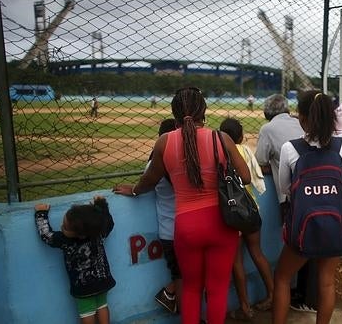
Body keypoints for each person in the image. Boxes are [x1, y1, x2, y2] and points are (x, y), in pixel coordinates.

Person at [113, 87, 250, 324]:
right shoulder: (221, 138)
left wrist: (134, 189)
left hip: (185, 226)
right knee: (217, 290)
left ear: (174, 113)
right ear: (203, 112)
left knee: (190, 288)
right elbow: (246, 177)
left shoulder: (164, 142)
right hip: (221, 223)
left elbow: (149, 180)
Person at [273, 91, 342, 324]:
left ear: (302, 119)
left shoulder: (290, 149)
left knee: (283, 277)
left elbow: (285, 188)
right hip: (338, 222)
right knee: (326, 281)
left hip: (304, 226)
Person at [254, 94, 316, 313]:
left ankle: (291, 296)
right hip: (315, 192)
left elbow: (259, 160)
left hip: (291, 196)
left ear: (267, 113)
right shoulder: (301, 123)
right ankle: (305, 296)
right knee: (309, 244)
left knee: (294, 245)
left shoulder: (268, 129)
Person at [220, 118, 274, 321]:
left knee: (237, 263)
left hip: (232, 213)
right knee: (257, 253)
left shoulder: (221, 152)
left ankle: (244, 307)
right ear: (240, 136)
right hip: (250, 209)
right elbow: (255, 175)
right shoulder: (245, 151)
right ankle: (274, 294)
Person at [34, 196, 115, 324]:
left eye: (65, 227)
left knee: (87, 312)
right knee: (102, 305)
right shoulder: (98, 233)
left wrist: (41, 214)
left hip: (83, 286)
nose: (61, 227)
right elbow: (108, 223)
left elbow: (47, 235)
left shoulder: (65, 241)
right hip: (103, 281)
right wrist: (101, 205)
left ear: (81, 234)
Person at [148, 119, 183, 314]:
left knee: (185, 276)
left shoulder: (155, 164)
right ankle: (172, 296)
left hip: (172, 229)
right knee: (184, 277)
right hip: (176, 230)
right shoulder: (181, 164)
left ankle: (170, 294)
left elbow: (145, 183)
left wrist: (136, 190)